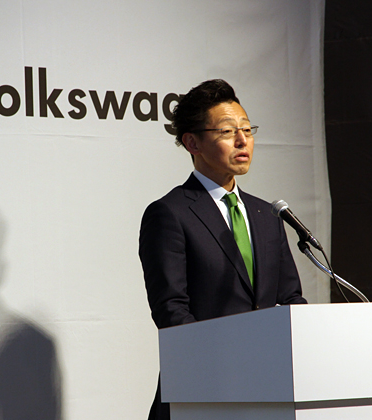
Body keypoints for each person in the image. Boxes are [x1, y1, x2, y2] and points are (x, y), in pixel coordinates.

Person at [138, 79, 307, 419]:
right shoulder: (170, 213)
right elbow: (172, 311)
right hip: (202, 391)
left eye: (247, 129)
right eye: (228, 131)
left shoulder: (268, 214)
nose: (243, 140)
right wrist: (228, 365)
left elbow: (291, 300)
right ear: (193, 143)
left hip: (269, 389)